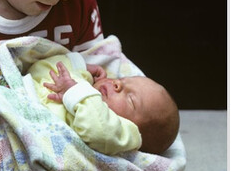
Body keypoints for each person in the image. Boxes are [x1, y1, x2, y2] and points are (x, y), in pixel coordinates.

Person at [29, 52, 180, 156]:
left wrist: (74, 91)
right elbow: (38, 68)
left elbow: (99, 130)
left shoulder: (119, 134)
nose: (117, 85)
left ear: (136, 132)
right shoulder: (83, 83)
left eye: (131, 100)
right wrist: (80, 66)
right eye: (122, 80)